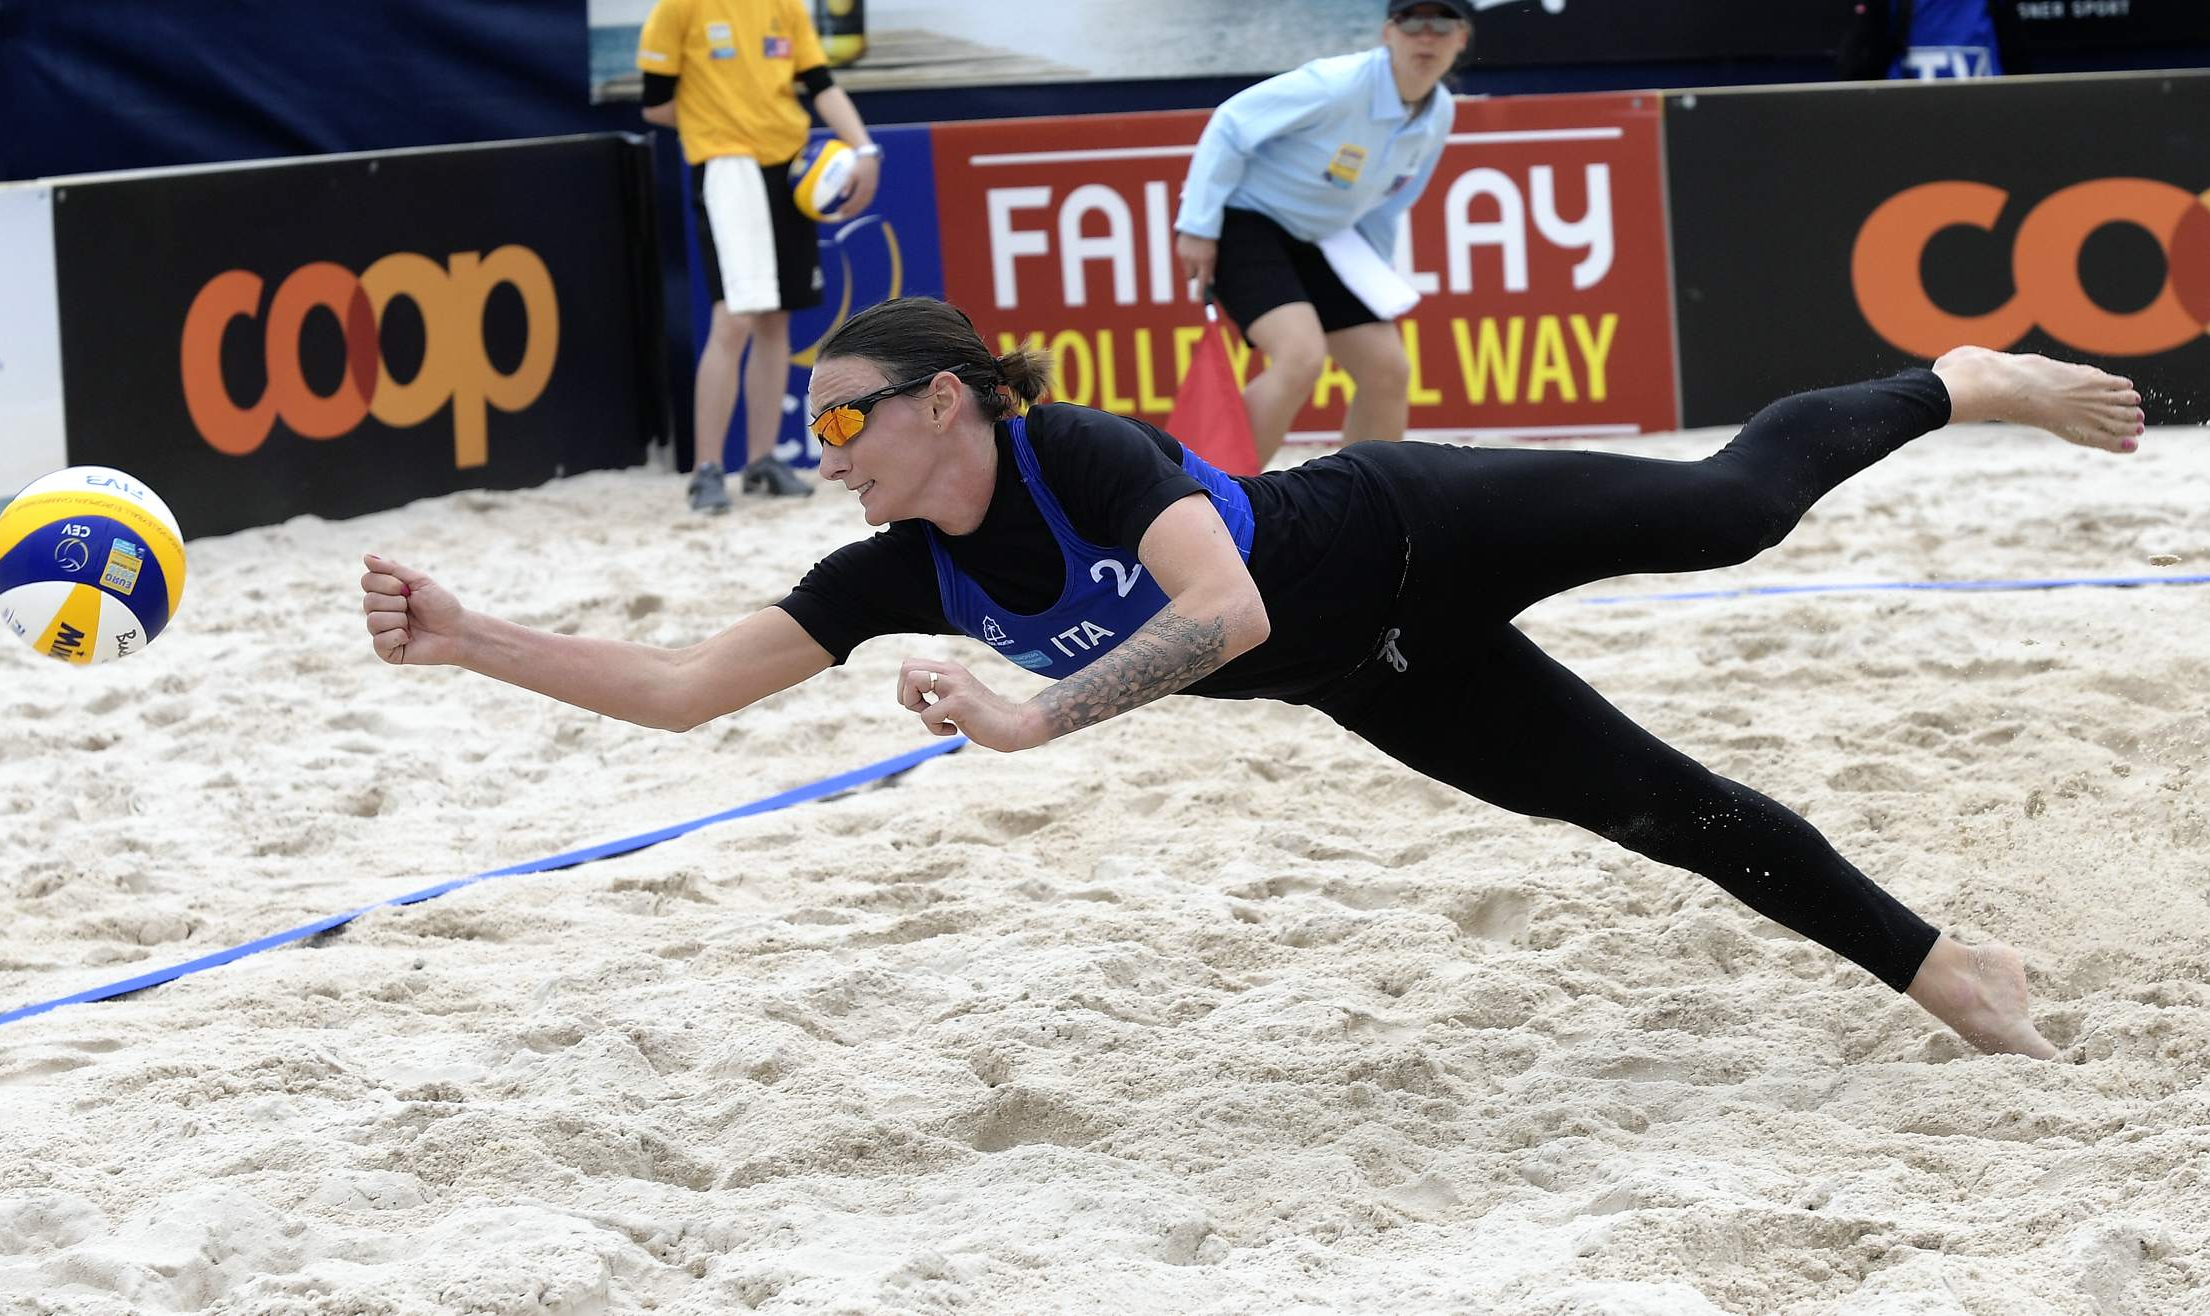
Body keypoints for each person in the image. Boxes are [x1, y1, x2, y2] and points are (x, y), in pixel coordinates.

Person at [362, 295, 2149, 1061]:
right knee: (1662, 815)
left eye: (841, 422)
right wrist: (471, 639)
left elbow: (1215, 613)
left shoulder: (1079, 450)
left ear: (943, 403)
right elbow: (685, 688)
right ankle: (1954, 969)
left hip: (1416, 526)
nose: (821, 452)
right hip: (1374, 673)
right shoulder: (893, 569)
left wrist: (1034, 715)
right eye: (809, 428)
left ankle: (1957, 378)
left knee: (1733, 512)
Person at [1172, 0, 1473, 469]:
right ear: (1388, 33)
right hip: (1246, 220)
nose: (1427, 36)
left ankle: (1365, 504)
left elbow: (1390, 204)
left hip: (1325, 237)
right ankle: (1210, 498)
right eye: (1413, 22)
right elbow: (1230, 123)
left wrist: (1369, 279)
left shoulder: (1439, 114)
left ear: (1462, 38)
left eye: (1441, 24)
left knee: (1387, 371)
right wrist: (1198, 225)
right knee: (1300, 357)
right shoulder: (1338, 85)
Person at [637, 0, 884, 513]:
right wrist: (719, 118)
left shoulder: (784, 6)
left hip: (791, 170)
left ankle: (761, 462)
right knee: (734, 319)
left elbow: (821, 84)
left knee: (776, 320)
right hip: (729, 168)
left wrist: (864, 149)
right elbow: (656, 105)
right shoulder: (679, 9)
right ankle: (707, 469)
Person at [1838, 0, 2031, 81]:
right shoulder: (1890, 5)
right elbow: (1858, 68)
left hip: (1985, 123)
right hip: (1907, 125)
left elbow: (2018, 63)